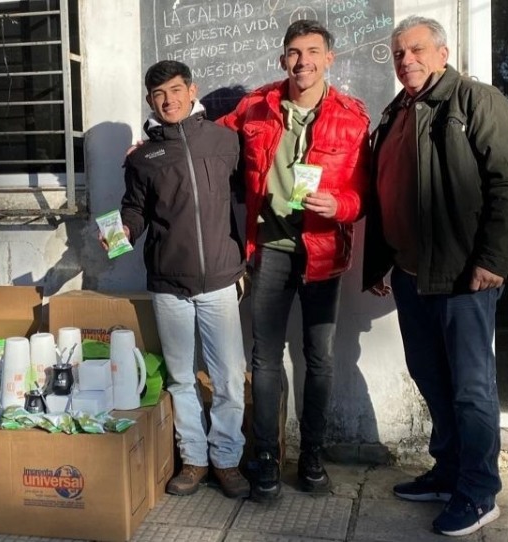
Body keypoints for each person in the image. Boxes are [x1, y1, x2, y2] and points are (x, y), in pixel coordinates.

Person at [362, 16, 508, 537]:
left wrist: (491, 261)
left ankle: (479, 493)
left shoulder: (476, 102)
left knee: (471, 389)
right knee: (432, 379)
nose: (406, 60)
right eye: (398, 53)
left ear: (442, 52)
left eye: (416, 50)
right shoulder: (398, 112)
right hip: (414, 275)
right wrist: (380, 263)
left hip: (464, 278)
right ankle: (449, 471)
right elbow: (385, 192)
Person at [218, 20, 371, 501]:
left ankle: (312, 455)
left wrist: (340, 206)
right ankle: (266, 455)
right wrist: (156, 141)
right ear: (282, 58)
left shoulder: (353, 116)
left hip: (323, 253)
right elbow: (204, 140)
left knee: (319, 358)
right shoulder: (257, 105)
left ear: (330, 58)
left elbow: (364, 195)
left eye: (312, 51)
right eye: (293, 52)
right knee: (264, 359)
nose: (302, 61)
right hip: (268, 252)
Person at [114, 60, 249, 499]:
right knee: (180, 379)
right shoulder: (143, 158)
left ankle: (227, 461)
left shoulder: (226, 141)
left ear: (193, 90)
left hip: (221, 281)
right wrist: (123, 232)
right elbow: (133, 210)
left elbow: (250, 194)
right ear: (150, 100)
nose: (168, 100)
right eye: (158, 94)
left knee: (228, 379)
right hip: (169, 283)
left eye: (175, 90)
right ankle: (194, 459)